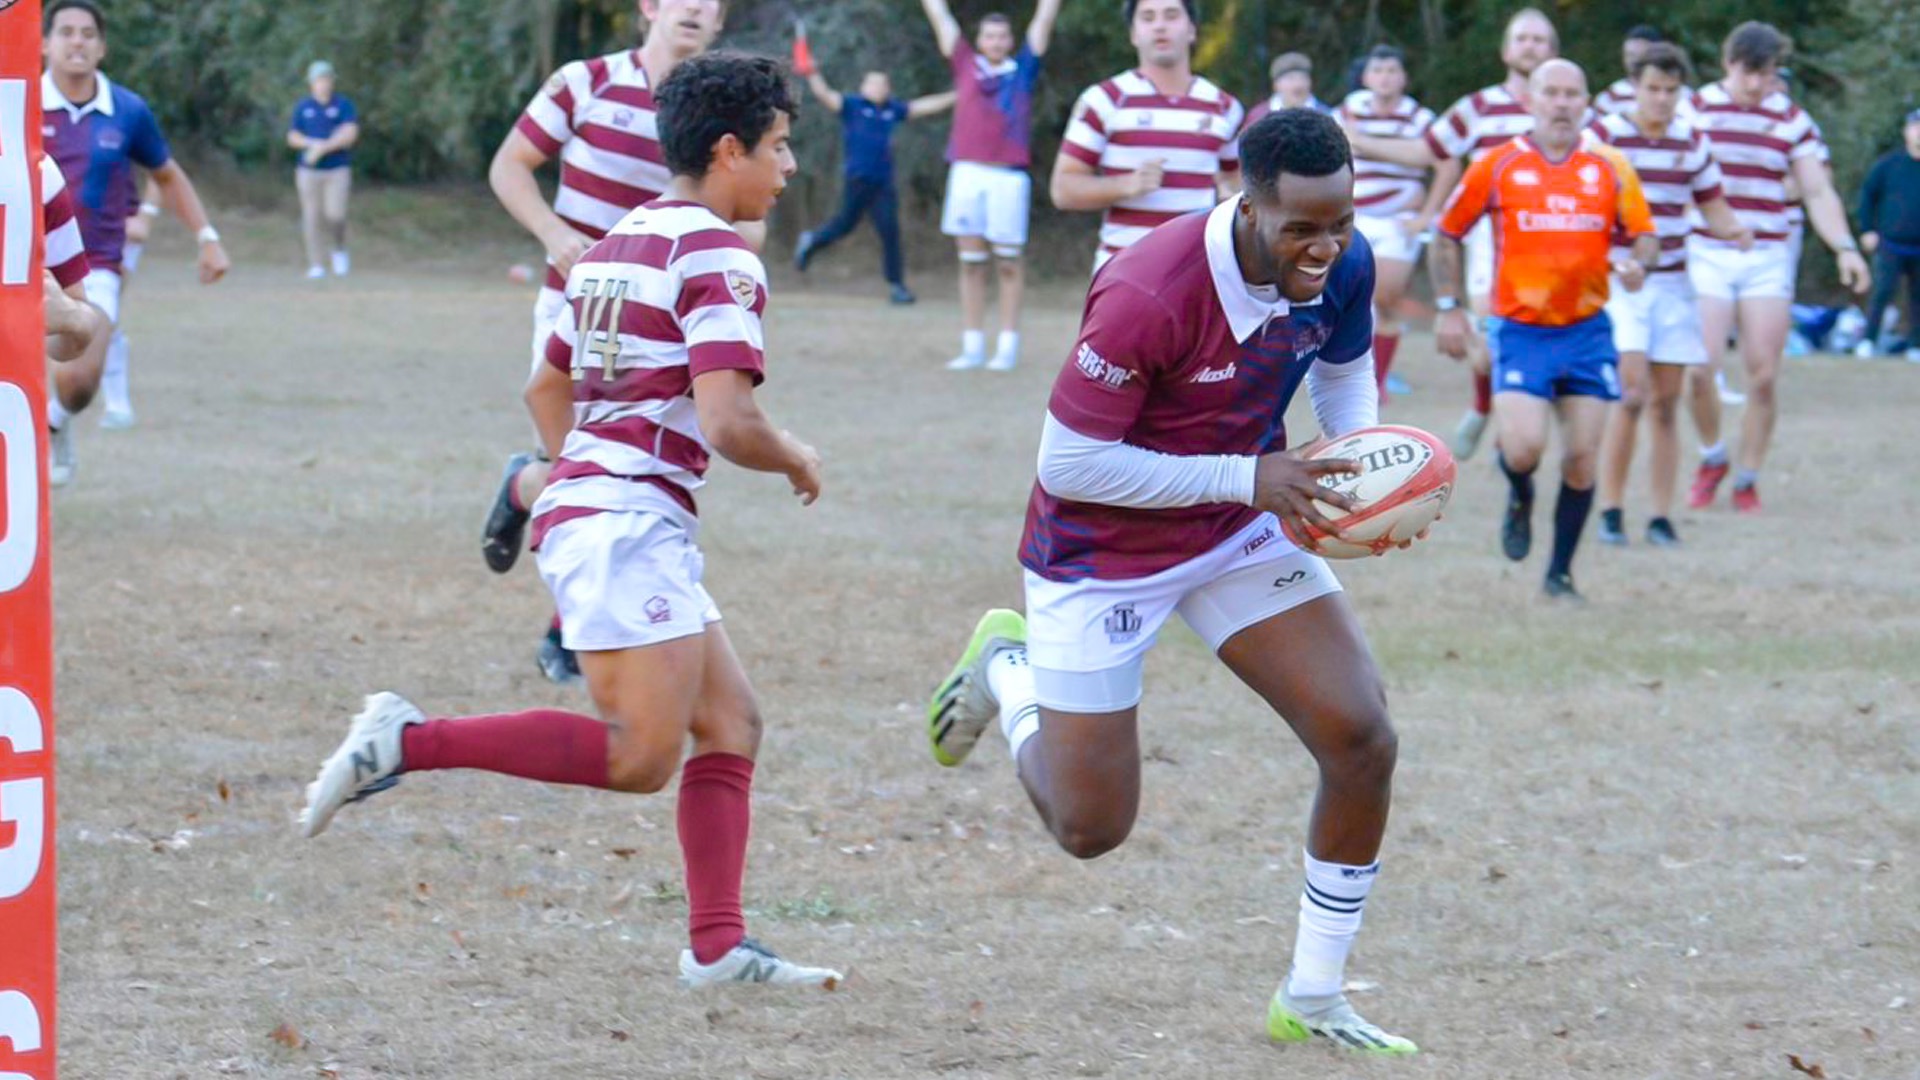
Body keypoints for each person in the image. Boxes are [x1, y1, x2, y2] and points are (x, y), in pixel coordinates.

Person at [300, 51, 841, 991]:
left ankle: (717, 947)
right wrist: (793, 455)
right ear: (727, 151)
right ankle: (405, 740)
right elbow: (728, 421)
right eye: (780, 148)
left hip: (614, 514)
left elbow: (545, 383)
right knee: (639, 758)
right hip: (623, 524)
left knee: (732, 722)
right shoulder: (719, 254)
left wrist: (573, 475)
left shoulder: (618, 243)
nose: (789, 169)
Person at [927, 108, 1422, 1055]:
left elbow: (1345, 374)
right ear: (1248, 203)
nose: (1325, 250)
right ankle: (1008, 670)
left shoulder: (1343, 264)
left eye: (1341, 224)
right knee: (1089, 828)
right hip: (1101, 550)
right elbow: (1071, 463)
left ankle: (1313, 999)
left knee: (1361, 736)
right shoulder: (1149, 290)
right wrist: (1253, 477)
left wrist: (1362, 476)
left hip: (1238, 527)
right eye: (1301, 231)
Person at [479, 0, 726, 686]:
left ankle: (526, 488)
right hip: (572, 312)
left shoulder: (712, 114)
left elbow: (741, 218)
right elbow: (509, 167)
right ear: (650, 6)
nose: (697, 8)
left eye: (712, 1)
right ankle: (568, 633)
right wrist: (555, 235)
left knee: (621, 481)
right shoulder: (584, 82)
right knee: (599, 478)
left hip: (656, 330)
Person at [1433, 59, 1657, 600]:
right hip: (1521, 329)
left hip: (1587, 331)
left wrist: (1637, 263)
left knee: (1581, 459)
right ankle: (1519, 495)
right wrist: (1448, 306)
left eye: (1571, 94)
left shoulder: (1610, 166)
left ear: (1586, 103)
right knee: (1525, 449)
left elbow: (1645, 236)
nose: (1561, 103)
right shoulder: (1497, 164)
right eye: (1551, 93)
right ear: (1531, 100)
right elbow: (1446, 234)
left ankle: (1559, 573)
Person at [1340, 8, 1558, 461]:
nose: (1531, 47)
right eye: (1523, 38)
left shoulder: (1571, 108)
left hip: (1559, 246)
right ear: (1505, 50)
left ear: (1553, 51)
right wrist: (1359, 141)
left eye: (1540, 40)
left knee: (1532, 347)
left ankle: (1500, 420)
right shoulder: (1477, 108)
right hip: (1492, 245)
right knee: (1491, 339)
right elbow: (1428, 151)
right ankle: (1491, 409)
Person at [40, 0, 230, 480]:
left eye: (88, 33)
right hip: (22, 262)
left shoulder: (127, 110)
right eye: (66, 31)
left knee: (79, 380)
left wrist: (207, 237)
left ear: (102, 47)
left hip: (96, 263)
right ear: (44, 43)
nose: (77, 41)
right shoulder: (17, 105)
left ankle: (55, 422)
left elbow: (166, 175)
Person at [1683, 22, 1869, 513]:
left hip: (1766, 256)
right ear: (1728, 64)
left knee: (1762, 375)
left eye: (1765, 75)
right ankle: (1711, 456)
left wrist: (1844, 247)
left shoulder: (1791, 118)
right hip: (1705, 250)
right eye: (1749, 73)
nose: (1756, 85)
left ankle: (1747, 477)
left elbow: (1816, 190)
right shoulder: (1695, 109)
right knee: (1700, 368)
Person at [1588, 44, 1753, 549]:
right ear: (1634, 86)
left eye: (1670, 91)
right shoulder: (1606, 137)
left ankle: (1660, 516)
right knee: (1631, 394)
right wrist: (1613, 261)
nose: (1661, 99)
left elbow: (1714, 207)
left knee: (1665, 403)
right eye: (1653, 89)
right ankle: (1612, 509)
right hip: (1620, 282)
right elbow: (1586, 209)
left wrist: (1738, 232)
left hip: (1674, 286)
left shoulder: (1691, 141)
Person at [919, 0, 1064, 371]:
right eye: (989, 35)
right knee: (970, 263)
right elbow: (940, 15)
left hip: (1008, 178)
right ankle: (972, 346)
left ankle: (1008, 346)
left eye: (1002, 36)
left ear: (1010, 40)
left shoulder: (1023, 69)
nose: (996, 42)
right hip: (967, 173)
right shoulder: (965, 63)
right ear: (980, 40)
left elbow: (1045, 14)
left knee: (1009, 262)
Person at [1050, 0, 1243, 273]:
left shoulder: (1224, 107)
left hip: (1196, 273)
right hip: (1122, 272)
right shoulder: (1105, 100)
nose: (1160, 25)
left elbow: (1237, 184)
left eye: (1171, 15)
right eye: (1148, 17)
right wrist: (1125, 185)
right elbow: (1063, 190)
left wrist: (1229, 197)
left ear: (1191, 30)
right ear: (1133, 34)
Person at [791, 27, 956, 304]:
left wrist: (959, 96)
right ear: (864, 86)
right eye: (873, 83)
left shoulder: (892, 110)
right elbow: (824, 94)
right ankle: (811, 240)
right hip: (858, 178)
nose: (878, 88)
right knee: (843, 226)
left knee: (890, 232)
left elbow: (924, 106)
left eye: (882, 84)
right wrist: (811, 72)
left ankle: (897, 287)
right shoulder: (852, 106)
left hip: (884, 182)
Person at [1333, 45, 1433, 400]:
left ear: (1404, 77)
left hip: (1398, 220)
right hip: (1352, 218)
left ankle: (1378, 380)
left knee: (1387, 296)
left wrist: (1425, 214)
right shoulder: (1347, 110)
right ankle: (1354, 375)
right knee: (1347, 298)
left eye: (1393, 70)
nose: (1386, 77)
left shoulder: (1419, 117)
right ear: (1366, 77)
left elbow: (1431, 158)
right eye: (1379, 71)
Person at [1853, 108, 1920, 360]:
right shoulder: (1888, 165)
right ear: (1906, 131)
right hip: (1891, 242)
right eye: (1915, 126)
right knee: (1882, 293)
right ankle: (1868, 340)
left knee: (1918, 298)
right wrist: (1867, 229)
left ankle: (1916, 345)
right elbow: (1868, 197)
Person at [287, 60, 360, 279]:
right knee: (311, 216)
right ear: (311, 83)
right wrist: (311, 144)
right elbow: (292, 137)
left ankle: (338, 250)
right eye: (319, 80)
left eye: (327, 79)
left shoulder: (343, 105)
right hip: (308, 171)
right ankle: (316, 263)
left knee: (335, 214)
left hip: (337, 169)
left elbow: (350, 134)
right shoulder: (304, 107)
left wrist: (324, 147)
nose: (323, 84)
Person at [42, 153, 108, 365]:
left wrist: (71, 317)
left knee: (77, 385)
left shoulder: (37, 171)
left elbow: (76, 308)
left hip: (8, 390)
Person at [1241, 51, 1334, 131]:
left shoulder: (1326, 116)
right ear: (1276, 85)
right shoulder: (1258, 117)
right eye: (1290, 79)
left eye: (1303, 78)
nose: (1298, 85)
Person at [1594, 26, 1667, 117]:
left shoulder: (1680, 96)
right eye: (1630, 55)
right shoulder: (1610, 98)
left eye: (1641, 55)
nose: (1634, 61)